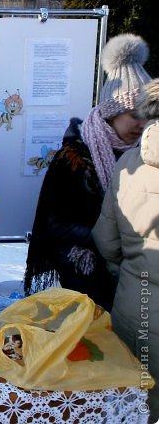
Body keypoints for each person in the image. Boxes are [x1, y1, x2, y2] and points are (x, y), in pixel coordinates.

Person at [23, 34, 152, 311]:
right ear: (111, 113)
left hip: (135, 275)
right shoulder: (73, 157)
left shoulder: (148, 156)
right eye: (133, 114)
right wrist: (110, 239)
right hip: (83, 272)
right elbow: (54, 222)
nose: (141, 124)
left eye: (148, 115)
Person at [92, 78, 159, 423]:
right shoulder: (82, 154)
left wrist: (133, 272)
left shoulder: (130, 162)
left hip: (135, 302)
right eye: (128, 113)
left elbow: (107, 239)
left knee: (135, 403)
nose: (136, 122)